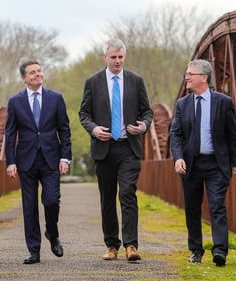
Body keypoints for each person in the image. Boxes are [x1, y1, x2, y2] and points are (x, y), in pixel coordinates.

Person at [79, 39, 153, 262]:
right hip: (104, 149)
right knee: (107, 198)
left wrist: (143, 126)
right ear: (105, 58)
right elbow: (84, 114)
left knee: (127, 193)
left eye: (121, 57)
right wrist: (93, 130)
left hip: (128, 147)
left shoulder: (136, 81)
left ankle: (131, 245)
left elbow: (147, 112)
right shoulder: (92, 82)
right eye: (113, 57)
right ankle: (112, 245)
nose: (118, 61)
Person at [169, 59, 236, 267]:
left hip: (216, 164)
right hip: (191, 164)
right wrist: (178, 157)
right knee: (192, 208)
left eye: (190, 74)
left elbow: (232, 135)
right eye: (186, 74)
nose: (187, 77)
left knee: (217, 205)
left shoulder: (223, 102)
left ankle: (220, 251)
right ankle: (196, 251)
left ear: (204, 78)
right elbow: (175, 134)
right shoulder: (182, 104)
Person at [5, 60, 72, 264]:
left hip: (51, 158)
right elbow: (10, 134)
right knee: (29, 206)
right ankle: (34, 250)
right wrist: (10, 161)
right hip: (26, 160)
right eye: (32, 72)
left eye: (39, 71)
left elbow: (65, 130)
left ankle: (52, 233)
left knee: (51, 200)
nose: (37, 74)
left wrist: (65, 157)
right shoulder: (15, 101)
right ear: (24, 78)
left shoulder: (56, 98)